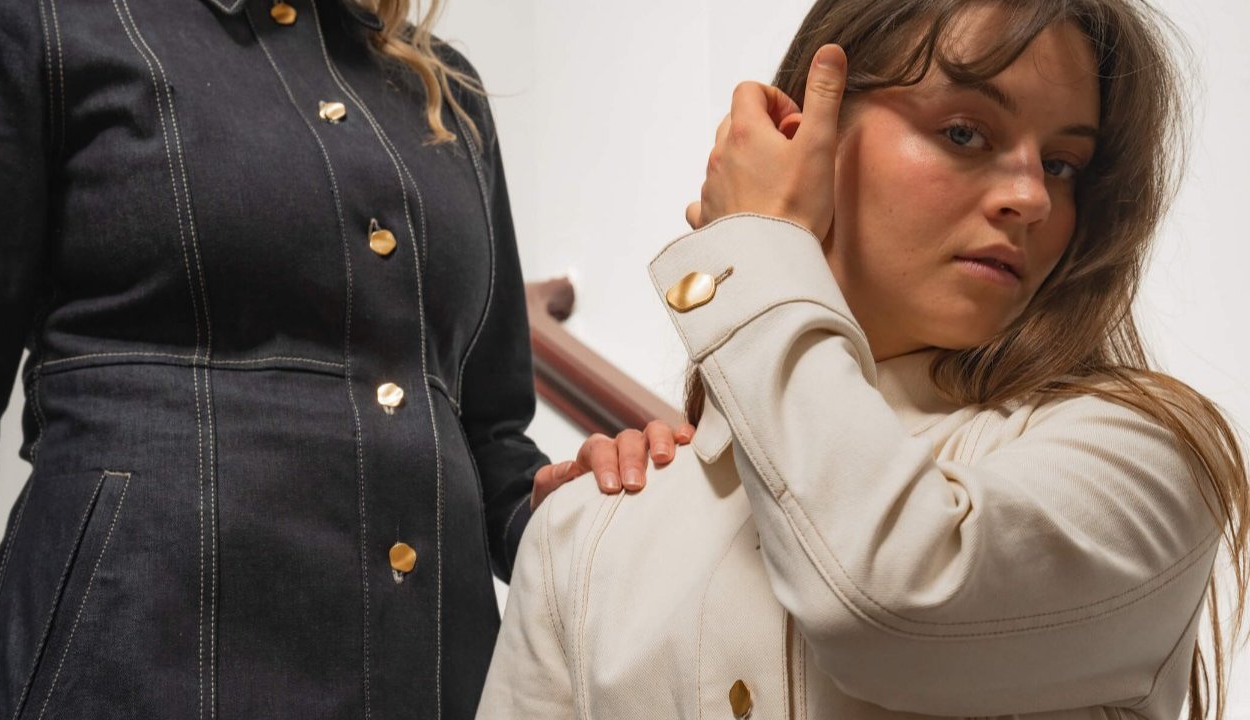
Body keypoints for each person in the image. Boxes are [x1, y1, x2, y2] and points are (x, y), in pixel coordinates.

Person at [476, 0, 1249, 718]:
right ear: (800, 137)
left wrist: (749, 247)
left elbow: (891, 597)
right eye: (964, 132)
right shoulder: (586, 531)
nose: (1032, 198)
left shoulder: (1147, 458)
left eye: (1061, 165)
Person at [0, 0, 687, 717]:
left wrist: (569, 509)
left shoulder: (449, 93)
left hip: (427, 675)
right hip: (132, 658)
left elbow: (487, 432)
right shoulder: (46, 20)